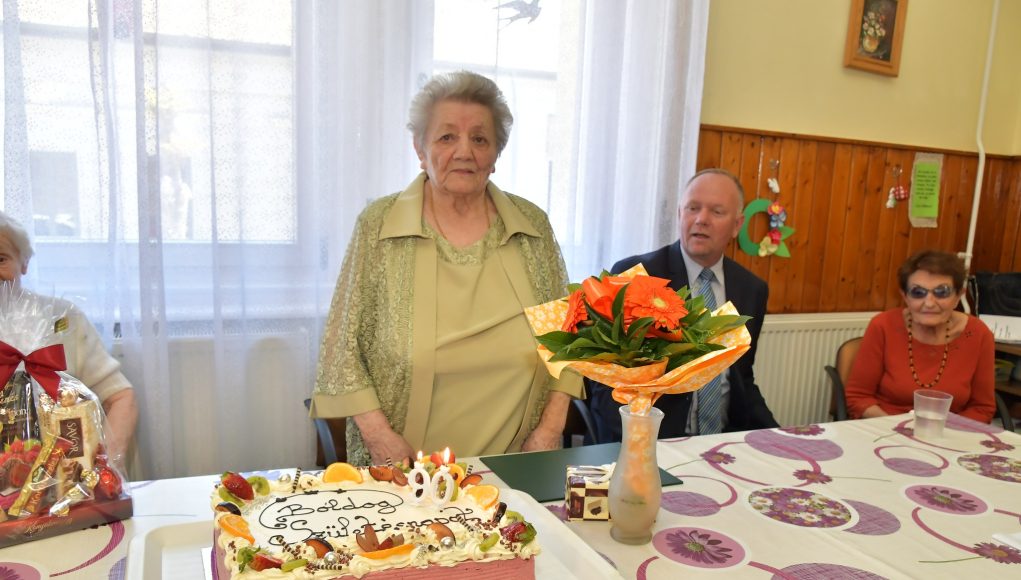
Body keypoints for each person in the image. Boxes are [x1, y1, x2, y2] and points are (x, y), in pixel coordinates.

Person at [311, 71, 582, 466]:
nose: (464, 151)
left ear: (496, 154)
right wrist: (381, 439)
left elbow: (568, 339)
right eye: (446, 137)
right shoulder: (379, 225)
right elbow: (341, 350)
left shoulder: (531, 225)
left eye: (480, 139)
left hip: (515, 464)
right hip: (405, 466)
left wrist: (550, 430)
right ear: (420, 150)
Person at [588, 168, 778, 441]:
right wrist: (640, 441)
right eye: (693, 208)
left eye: (716, 211)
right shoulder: (637, 275)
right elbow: (605, 383)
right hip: (655, 438)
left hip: (725, 441)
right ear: (680, 214)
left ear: (737, 225)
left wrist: (779, 435)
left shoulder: (751, 289)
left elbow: (742, 378)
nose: (701, 219)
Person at [0, 211, 139, 461]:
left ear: (24, 262)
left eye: (1, 259)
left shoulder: (63, 318)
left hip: (66, 475)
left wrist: (103, 466)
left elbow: (121, 397)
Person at [845, 250, 995, 423]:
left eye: (942, 292)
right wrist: (898, 428)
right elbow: (859, 397)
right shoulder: (882, 326)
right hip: (885, 426)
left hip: (951, 431)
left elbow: (982, 408)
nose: (929, 303)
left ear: (958, 296)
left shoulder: (979, 334)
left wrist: (946, 432)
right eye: (918, 292)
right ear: (905, 296)